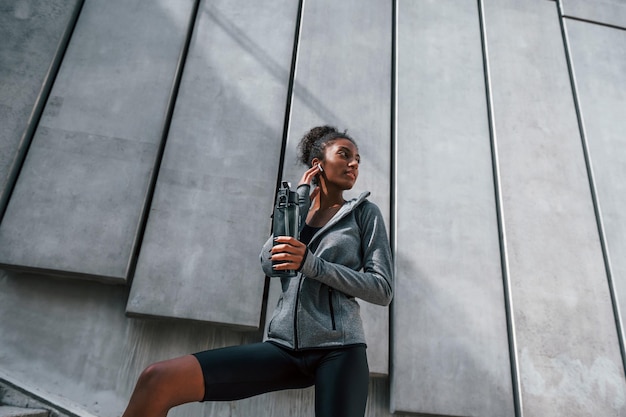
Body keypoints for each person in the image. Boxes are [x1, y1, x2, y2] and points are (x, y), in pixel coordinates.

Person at [121, 125, 394, 417]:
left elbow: (382, 289)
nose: (353, 163)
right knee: (159, 379)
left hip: (340, 349)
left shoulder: (365, 214)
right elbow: (269, 262)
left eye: (357, 159)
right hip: (283, 347)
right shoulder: (297, 206)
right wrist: (297, 203)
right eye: (344, 154)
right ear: (318, 164)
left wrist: (314, 266)